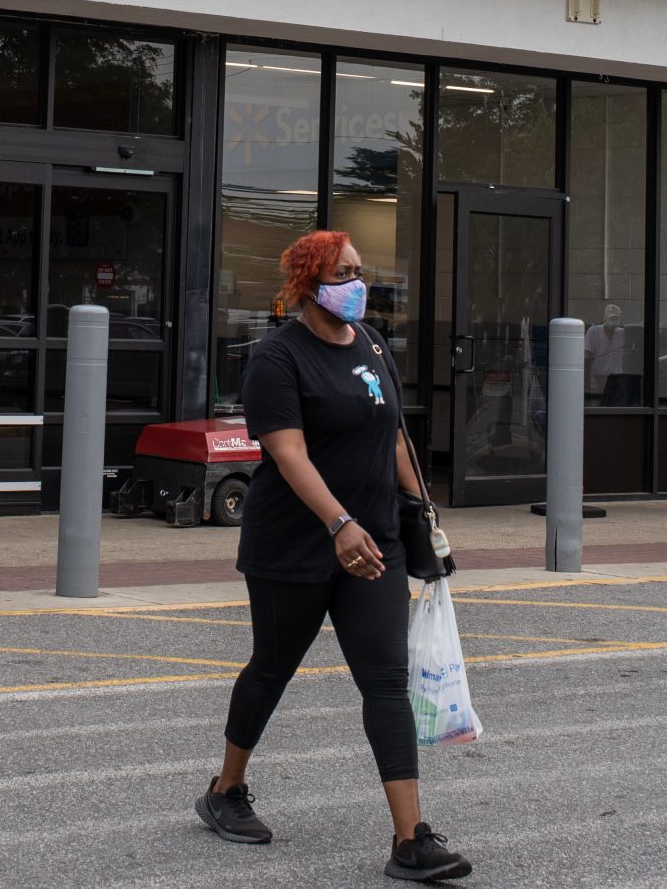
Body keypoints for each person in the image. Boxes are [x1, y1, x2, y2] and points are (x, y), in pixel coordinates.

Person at [195, 229, 471, 883]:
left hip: (374, 542)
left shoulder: (373, 345)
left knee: (385, 679)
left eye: (359, 270)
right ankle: (225, 788)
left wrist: (424, 512)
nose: (358, 282)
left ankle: (411, 839)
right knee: (271, 667)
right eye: (343, 271)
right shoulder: (276, 357)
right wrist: (338, 523)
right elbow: (288, 453)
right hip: (293, 545)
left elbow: (396, 437)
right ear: (309, 281)